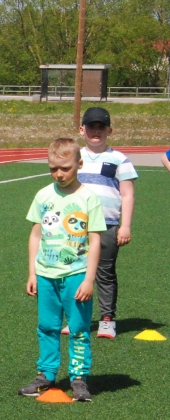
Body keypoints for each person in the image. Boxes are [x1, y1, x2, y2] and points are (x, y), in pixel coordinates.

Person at [20, 138, 105, 403]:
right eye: (53, 168)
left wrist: (89, 279)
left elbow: (95, 240)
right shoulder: (43, 195)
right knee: (47, 326)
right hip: (46, 275)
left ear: (79, 164)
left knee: (79, 328)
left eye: (65, 168)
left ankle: (79, 378)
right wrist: (33, 272)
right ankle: (46, 374)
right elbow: (35, 235)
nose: (59, 174)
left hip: (76, 276)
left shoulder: (88, 198)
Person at [77, 107, 137, 339]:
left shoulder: (119, 159)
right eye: (91, 126)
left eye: (101, 127)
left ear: (109, 131)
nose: (96, 131)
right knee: (76, 272)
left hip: (107, 225)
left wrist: (125, 225)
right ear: (82, 129)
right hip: (77, 226)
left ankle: (107, 319)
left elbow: (128, 194)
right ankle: (77, 320)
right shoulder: (75, 156)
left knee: (105, 272)